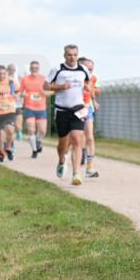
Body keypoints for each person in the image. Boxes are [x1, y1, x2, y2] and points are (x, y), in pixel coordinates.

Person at [45, 45, 91, 186]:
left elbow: (88, 81)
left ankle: (76, 173)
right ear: (64, 55)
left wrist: (88, 89)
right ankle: (61, 161)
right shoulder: (58, 69)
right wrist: (60, 87)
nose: (72, 57)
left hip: (78, 108)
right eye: (69, 55)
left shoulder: (83, 69)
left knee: (77, 139)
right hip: (61, 110)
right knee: (63, 143)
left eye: (75, 55)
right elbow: (45, 86)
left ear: (78, 55)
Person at [20, 60, 48, 158]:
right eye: (32, 68)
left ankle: (38, 140)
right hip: (29, 107)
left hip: (41, 108)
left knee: (42, 131)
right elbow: (21, 92)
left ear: (38, 68)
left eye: (36, 68)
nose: (34, 69)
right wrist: (22, 95)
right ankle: (34, 150)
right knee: (31, 129)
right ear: (30, 68)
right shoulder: (25, 79)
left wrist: (45, 93)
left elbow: (51, 91)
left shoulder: (44, 79)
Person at [78, 57, 101, 178]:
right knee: (77, 135)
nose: (90, 71)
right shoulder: (75, 77)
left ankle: (89, 166)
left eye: (92, 69)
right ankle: (79, 151)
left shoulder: (93, 78)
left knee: (90, 137)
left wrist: (94, 100)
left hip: (87, 108)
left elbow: (93, 91)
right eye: (88, 68)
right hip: (75, 107)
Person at [7, 63, 25, 142]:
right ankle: (11, 142)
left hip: (18, 104)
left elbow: (24, 89)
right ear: (8, 70)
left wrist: (21, 96)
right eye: (10, 69)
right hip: (8, 105)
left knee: (18, 125)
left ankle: (19, 132)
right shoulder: (5, 78)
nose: (12, 71)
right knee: (10, 126)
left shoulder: (19, 77)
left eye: (13, 69)